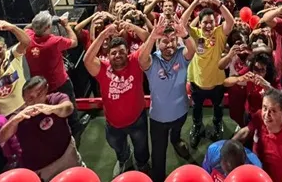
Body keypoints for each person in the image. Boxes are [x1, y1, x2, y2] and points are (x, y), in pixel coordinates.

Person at [84, 17, 151, 174]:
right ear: (108, 56)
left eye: (122, 51)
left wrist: (132, 25)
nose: (118, 55)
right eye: (113, 53)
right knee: (118, 147)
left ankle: (141, 164)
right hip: (113, 124)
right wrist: (104, 34)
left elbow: (148, 39)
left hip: (137, 119)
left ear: (128, 52)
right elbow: (87, 60)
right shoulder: (103, 68)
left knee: (141, 147)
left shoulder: (135, 61)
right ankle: (124, 159)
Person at [140, 15, 196, 182]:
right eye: (164, 41)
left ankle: (176, 140)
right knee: (158, 155)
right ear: (158, 43)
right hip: (158, 119)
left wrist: (185, 34)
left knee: (176, 133)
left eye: (173, 40)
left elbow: (193, 49)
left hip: (181, 112)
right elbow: (142, 60)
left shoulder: (181, 55)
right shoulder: (153, 60)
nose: (169, 44)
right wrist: (152, 36)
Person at [0, 76, 81, 180]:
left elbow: (68, 108)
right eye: (31, 98)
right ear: (24, 99)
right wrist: (15, 120)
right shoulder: (20, 115)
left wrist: (51, 109)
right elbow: (2, 137)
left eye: (39, 94)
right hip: (42, 168)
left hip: (67, 155)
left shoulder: (55, 99)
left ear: (46, 89)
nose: (36, 100)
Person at [24, 11, 83, 139]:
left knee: (49, 111)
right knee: (69, 105)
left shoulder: (28, 37)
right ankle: (76, 128)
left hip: (42, 87)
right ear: (47, 28)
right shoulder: (54, 41)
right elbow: (74, 41)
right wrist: (66, 25)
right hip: (60, 83)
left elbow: (27, 28)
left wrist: (36, 24)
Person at [187, 0, 235, 148]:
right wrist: (195, 2)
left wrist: (217, 2)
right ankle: (197, 127)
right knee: (196, 108)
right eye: (205, 22)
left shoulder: (220, 33)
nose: (208, 26)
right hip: (197, 80)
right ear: (199, 23)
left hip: (217, 82)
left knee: (218, 107)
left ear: (215, 23)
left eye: (211, 22)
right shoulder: (194, 33)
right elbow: (182, 23)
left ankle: (217, 125)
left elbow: (231, 21)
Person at [233, 88, 282, 182]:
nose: (266, 114)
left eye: (273, 111)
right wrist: (227, 145)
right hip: (256, 173)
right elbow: (246, 131)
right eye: (265, 108)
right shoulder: (260, 116)